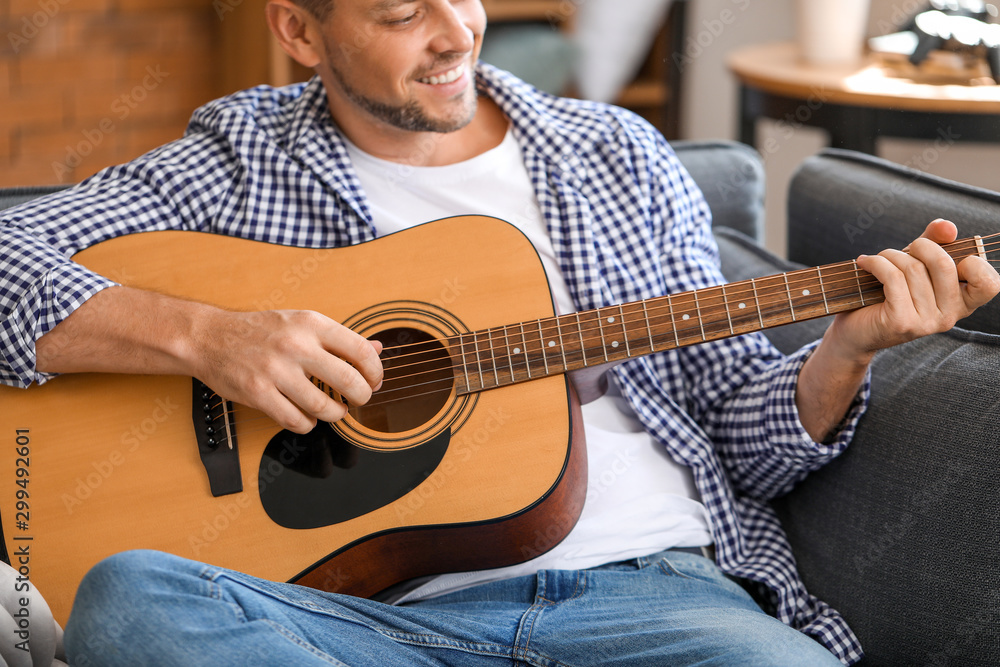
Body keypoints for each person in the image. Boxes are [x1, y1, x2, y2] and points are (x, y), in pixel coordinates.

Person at [1, 0, 997, 664]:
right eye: (399, 11)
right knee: (128, 599)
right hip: (364, 623)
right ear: (300, 29)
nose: (452, 34)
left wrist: (844, 349)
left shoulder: (615, 155)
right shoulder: (242, 161)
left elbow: (744, 436)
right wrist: (209, 338)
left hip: (655, 596)